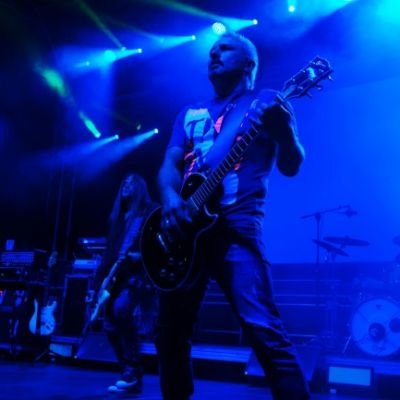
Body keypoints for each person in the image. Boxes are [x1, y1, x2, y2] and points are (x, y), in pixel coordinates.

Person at [155, 32, 310, 400]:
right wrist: (170, 198)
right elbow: (169, 165)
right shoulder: (189, 113)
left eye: (224, 48)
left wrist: (286, 134)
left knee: (263, 330)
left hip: (236, 227)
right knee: (170, 333)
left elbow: (291, 166)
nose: (214, 53)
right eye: (212, 50)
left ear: (248, 62)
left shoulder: (266, 101)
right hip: (186, 232)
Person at [93, 173, 157, 394]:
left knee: (121, 311)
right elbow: (108, 254)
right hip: (115, 277)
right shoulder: (118, 219)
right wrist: (97, 283)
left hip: (137, 276)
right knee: (109, 326)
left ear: (140, 187)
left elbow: (160, 244)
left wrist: (140, 257)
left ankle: (132, 372)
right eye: (124, 182)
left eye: (131, 182)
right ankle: (128, 373)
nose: (126, 185)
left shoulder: (149, 212)